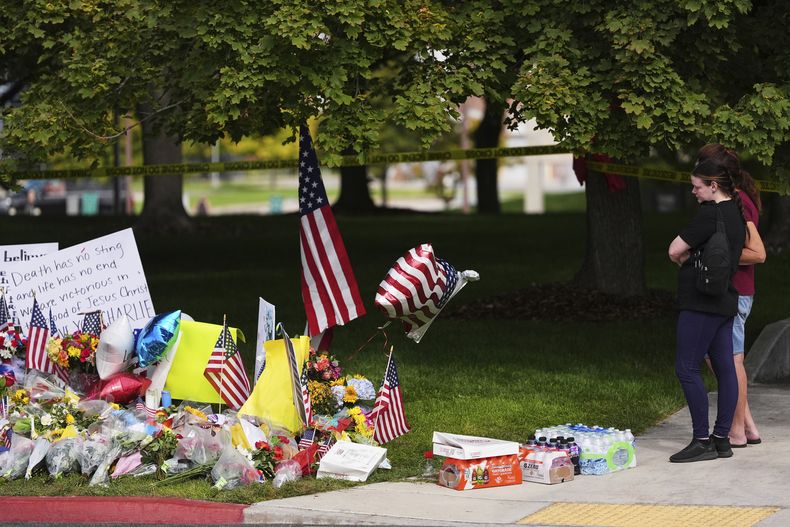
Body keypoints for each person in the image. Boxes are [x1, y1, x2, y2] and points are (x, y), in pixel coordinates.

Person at [667, 145, 747, 463]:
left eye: (697, 186)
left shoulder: (710, 213)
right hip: (725, 299)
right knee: (726, 369)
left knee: (686, 368)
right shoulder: (737, 214)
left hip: (700, 301)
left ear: (713, 185)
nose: (694, 192)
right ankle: (722, 439)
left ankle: (701, 440)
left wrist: (685, 260)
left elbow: (674, 250)